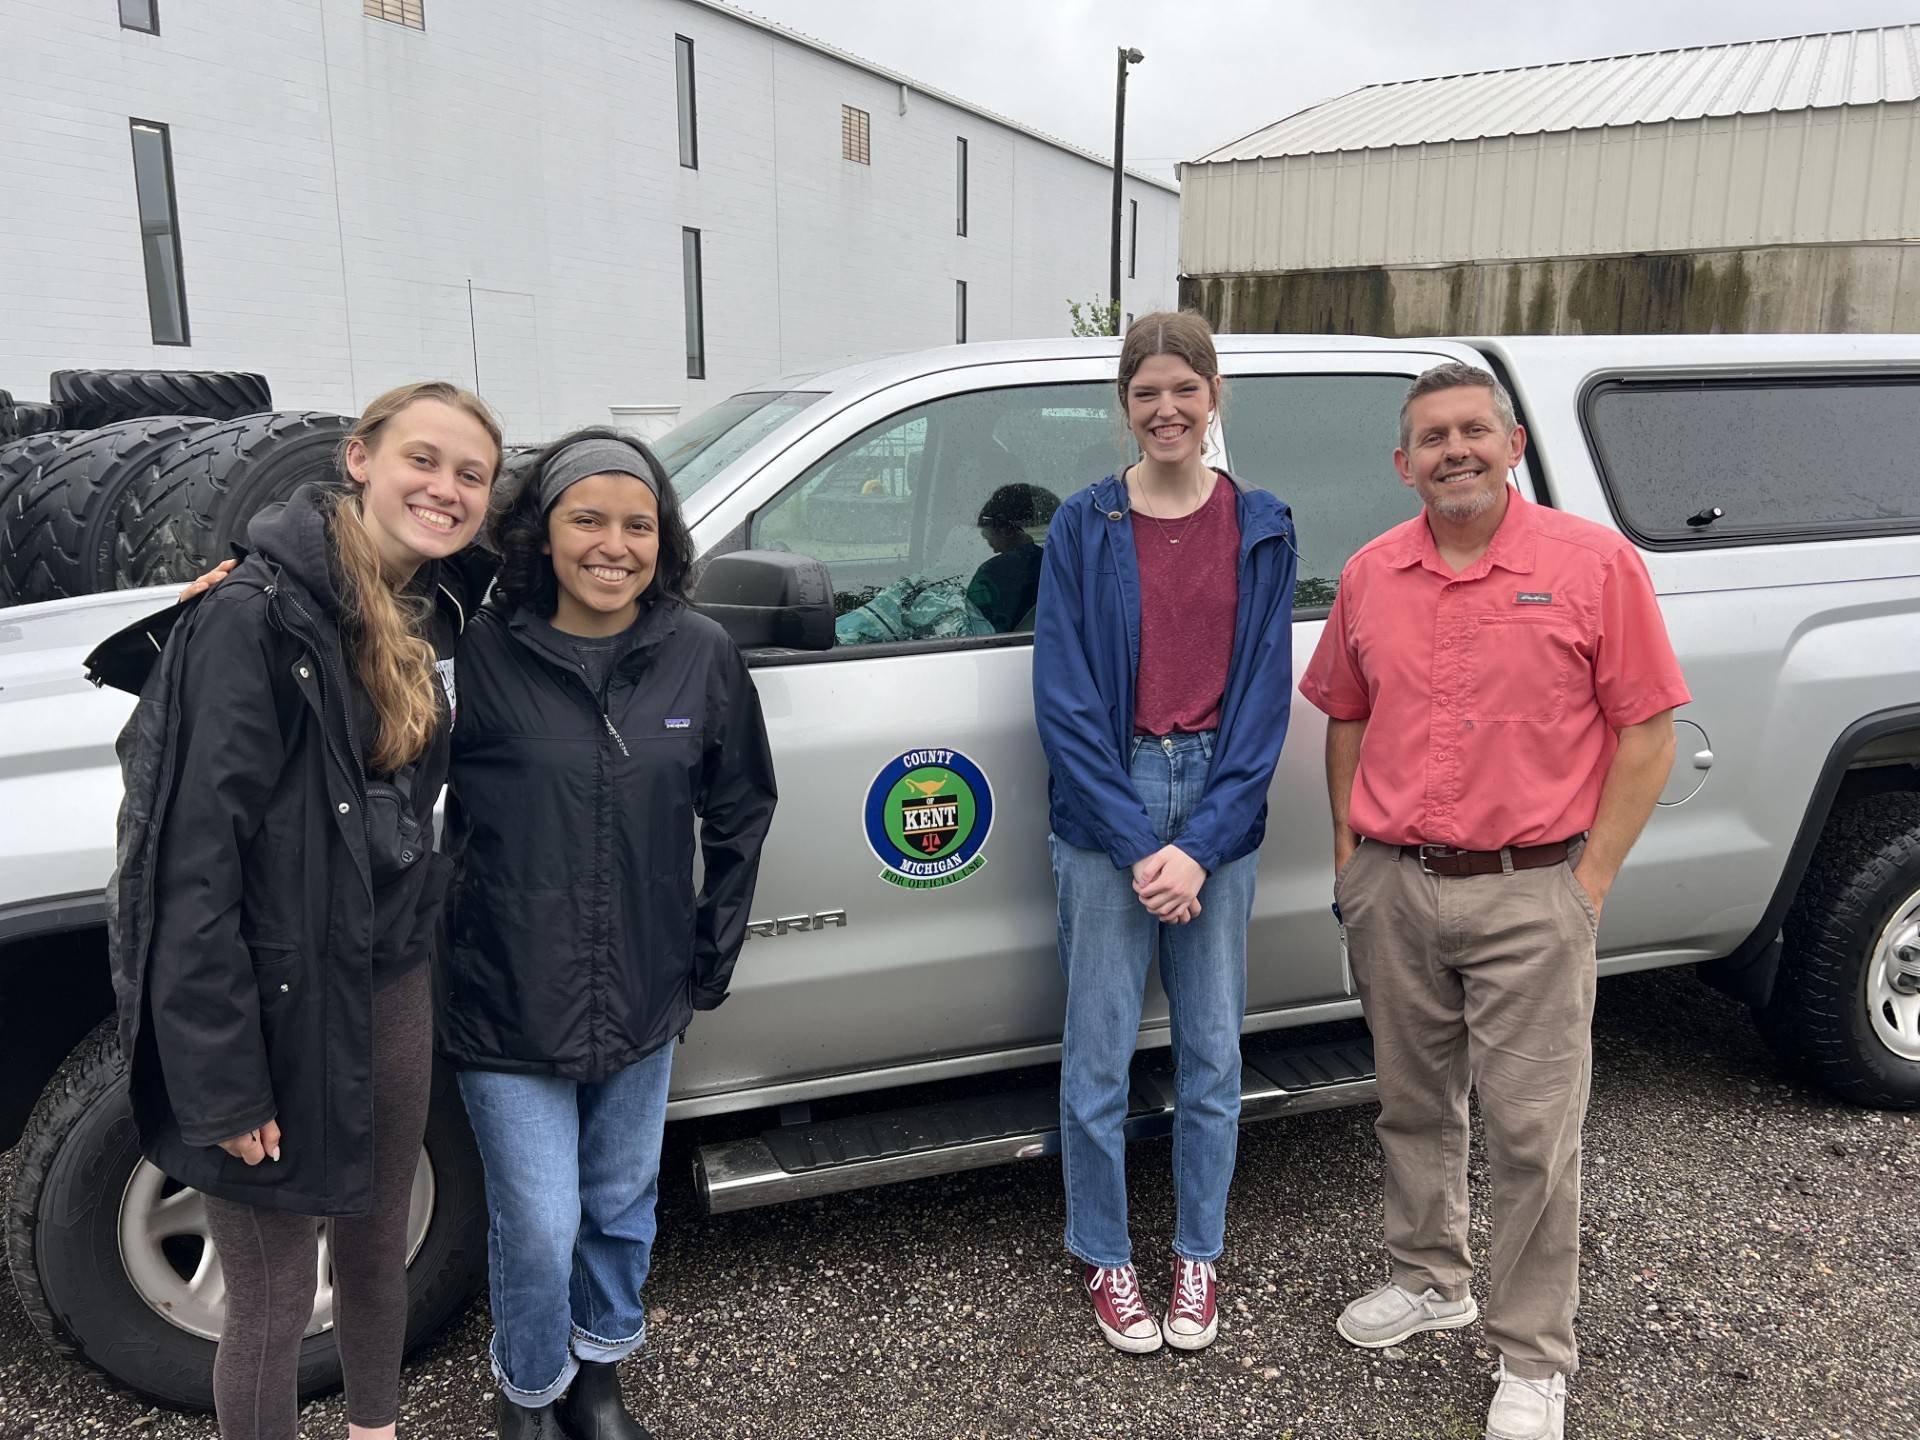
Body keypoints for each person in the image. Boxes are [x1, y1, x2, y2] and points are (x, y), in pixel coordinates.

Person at [1299, 363, 1690, 1440]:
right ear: (1403, 463)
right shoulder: (1373, 574)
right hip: (1395, 887)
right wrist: (1350, 855)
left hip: (1532, 892)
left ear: (1513, 444)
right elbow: (1343, 712)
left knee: (1531, 1134)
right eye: (1432, 437)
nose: (1454, 450)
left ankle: (1533, 1358)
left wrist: (1588, 884)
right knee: (1413, 1104)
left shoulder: (1592, 565)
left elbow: (1650, 734)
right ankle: (1433, 1280)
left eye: (1474, 430)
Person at [109, 382, 503, 1440]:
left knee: (377, 1254)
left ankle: (377, 1430)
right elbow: (188, 868)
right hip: (279, 1002)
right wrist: (224, 1084)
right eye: (424, 460)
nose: (446, 489)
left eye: (472, 475)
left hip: (388, 979)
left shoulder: (443, 604)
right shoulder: (250, 616)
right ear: (360, 459)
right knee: (275, 1301)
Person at [437, 428, 777, 1439]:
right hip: (504, 988)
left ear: (663, 540)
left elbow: (741, 808)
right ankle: (530, 1389)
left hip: (642, 982)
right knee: (540, 1221)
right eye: (586, 517)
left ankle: (599, 1371)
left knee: (622, 1202)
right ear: (539, 533)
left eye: (638, 523)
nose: (613, 544)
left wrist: (710, 949)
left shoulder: (699, 652)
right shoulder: (475, 650)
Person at [1033, 311, 1298, 1354]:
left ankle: (1198, 1253)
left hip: (1218, 796)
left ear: (1215, 395)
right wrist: (1141, 841)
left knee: (1211, 1052)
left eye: (1183, 389)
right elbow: (1061, 700)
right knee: (1096, 1053)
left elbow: (1265, 703)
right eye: (1145, 392)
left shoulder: (1262, 522)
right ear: (1124, 406)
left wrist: (1205, 840)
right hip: (1113, 794)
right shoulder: (1082, 524)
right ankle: (1106, 1256)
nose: (1166, 409)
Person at [966, 482, 1058, 633]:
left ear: (1007, 530)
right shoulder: (1059, 564)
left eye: (987, 528)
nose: (983, 535)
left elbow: (977, 632)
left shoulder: (989, 575)